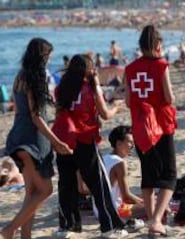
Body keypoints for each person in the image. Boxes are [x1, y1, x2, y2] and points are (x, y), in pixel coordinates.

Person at [3, 38, 73, 239]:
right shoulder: (36, 77)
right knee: (45, 189)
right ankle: (9, 230)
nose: (50, 60)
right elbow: (36, 116)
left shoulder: (20, 76)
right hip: (32, 140)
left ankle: (26, 235)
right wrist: (56, 141)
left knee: (32, 192)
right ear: (42, 57)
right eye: (48, 56)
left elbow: (21, 110)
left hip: (17, 135)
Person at [54, 54, 127, 238]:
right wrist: (116, 107)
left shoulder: (61, 88)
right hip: (85, 139)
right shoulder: (91, 88)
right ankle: (109, 227)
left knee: (66, 184)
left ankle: (67, 227)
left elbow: (60, 114)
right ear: (88, 70)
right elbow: (105, 114)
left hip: (64, 140)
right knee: (99, 184)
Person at [124, 25, 177, 237]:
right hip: (161, 126)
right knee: (169, 175)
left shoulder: (130, 69)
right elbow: (170, 98)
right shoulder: (162, 66)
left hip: (140, 127)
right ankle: (156, 220)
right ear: (157, 45)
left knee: (148, 174)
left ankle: (152, 216)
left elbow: (128, 101)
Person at [95, 125, 147, 221]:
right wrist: (145, 203)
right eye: (130, 142)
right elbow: (126, 197)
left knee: (148, 199)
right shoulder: (119, 163)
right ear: (119, 143)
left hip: (98, 209)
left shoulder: (104, 158)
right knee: (156, 206)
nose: (133, 145)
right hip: (114, 211)